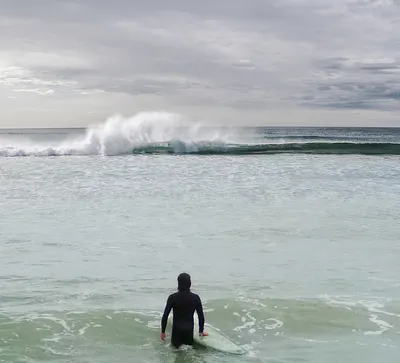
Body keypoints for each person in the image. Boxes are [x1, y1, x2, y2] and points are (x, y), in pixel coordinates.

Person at [160, 272, 208, 348]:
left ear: (178, 283)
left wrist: (163, 332)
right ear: (190, 283)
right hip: (188, 332)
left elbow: (165, 316)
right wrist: (201, 331)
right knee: (188, 351)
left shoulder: (172, 297)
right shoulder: (195, 298)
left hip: (176, 333)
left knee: (176, 352)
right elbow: (200, 316)